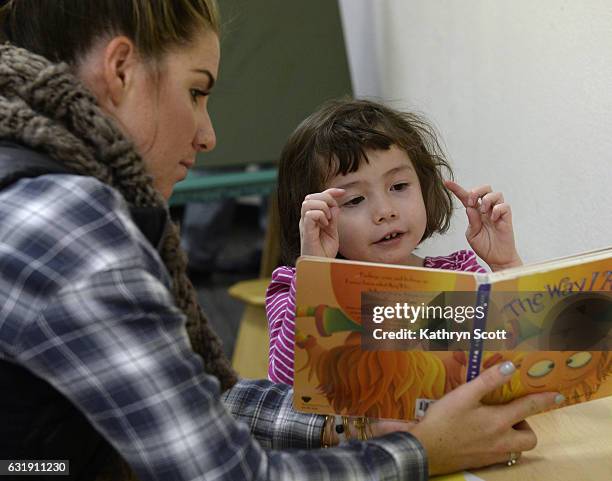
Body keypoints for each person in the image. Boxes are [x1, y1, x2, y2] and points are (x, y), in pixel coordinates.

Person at [0, 1, 561, 479]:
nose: (209, 134)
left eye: (398, 186)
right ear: (120, 70)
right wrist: (421, 450)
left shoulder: (46, 194)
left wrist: (351, 427)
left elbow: (204, 406)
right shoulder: (68, 224)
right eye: (197, 92)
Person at [267, 99, 522, 386]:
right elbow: (285, 386)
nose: (385, 211)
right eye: (354, 200)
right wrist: (316, 273)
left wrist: (504, 263)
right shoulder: (294, 287)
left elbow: (519, 353)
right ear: (317, 217)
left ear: (425, 186)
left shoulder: (459, 273)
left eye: (399, 186)